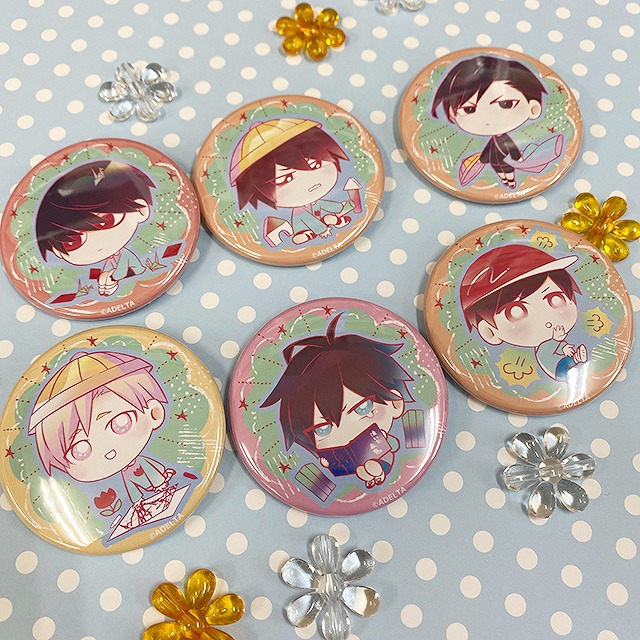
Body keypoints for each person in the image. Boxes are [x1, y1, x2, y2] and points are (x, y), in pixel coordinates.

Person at [261, 315, 414, 489]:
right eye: (322, 429)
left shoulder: (387, 444)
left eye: (363, 408)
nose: (348, 434)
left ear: (396, 403)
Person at [28, 350, 173, 505]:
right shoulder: (126, 476)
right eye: (79, 451)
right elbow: (135, 493)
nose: (109, 452)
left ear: (155, 413)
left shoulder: (144, 465)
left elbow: (156, 476)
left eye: (120, 423)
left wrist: (162, 483)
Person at [431, 55, 562, 189]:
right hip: (495, 163)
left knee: (508, 172)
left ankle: (510, 181)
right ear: (452, 114)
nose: (487, 118)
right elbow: (489, 150)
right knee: (502, 173)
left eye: (506, 104)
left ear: (533, 109)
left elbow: (511, 149)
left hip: (505, 162)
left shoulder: (505, 140)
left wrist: (518, 159)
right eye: (469, 109)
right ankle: (506, 180)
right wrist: (482, 160)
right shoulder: (494, 140)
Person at [460, 245, 589, 381]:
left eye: (555, 299)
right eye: (516, 312)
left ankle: (575, 360)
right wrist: (559, 343)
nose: (545, 319)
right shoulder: (544, 349)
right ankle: (575, 360)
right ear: (489, 332)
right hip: (557, 367)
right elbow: (547, 351)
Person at [229, 118, 361, 246]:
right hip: (304, 224)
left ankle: (332, 220)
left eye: (316, 164)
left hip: (320, 215)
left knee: (330, 209)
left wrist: (344, 206)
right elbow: (306, 218)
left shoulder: (316, 201)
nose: (309, 180)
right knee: (304, 224)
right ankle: (307, 232)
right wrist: (322, 230)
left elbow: (327, 205)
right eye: (285, 178)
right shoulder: (299, 212)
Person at [35, 160, 155, 296]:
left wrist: (112, 279)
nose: (96, 244)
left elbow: (134, 271)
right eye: (72, 242)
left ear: (141, 210)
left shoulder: (124, 256)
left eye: (105, 222)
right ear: (58, 253)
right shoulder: (112, 258)